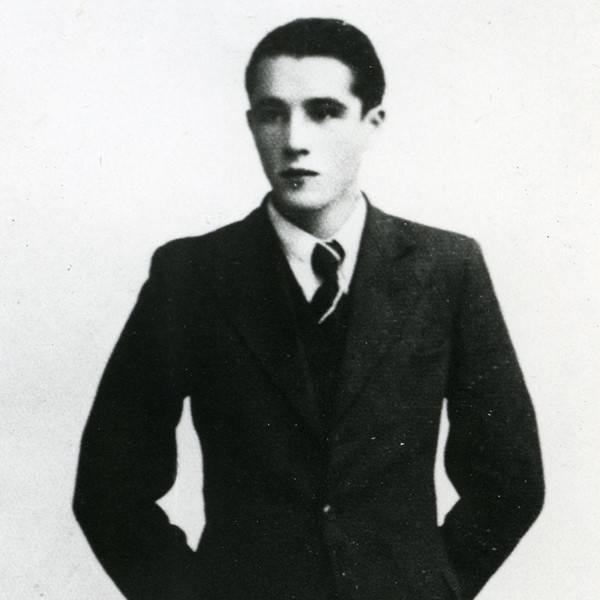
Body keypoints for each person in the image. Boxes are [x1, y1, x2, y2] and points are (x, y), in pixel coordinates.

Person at [74, 18, 544, 600]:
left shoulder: (447, 268)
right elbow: (109, 489)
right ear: (252, 124)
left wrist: (431, 589)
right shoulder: (191, 275)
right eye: (273, 114)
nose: (295, 139)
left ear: (372, 123)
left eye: (324, 112)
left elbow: (511, 480)